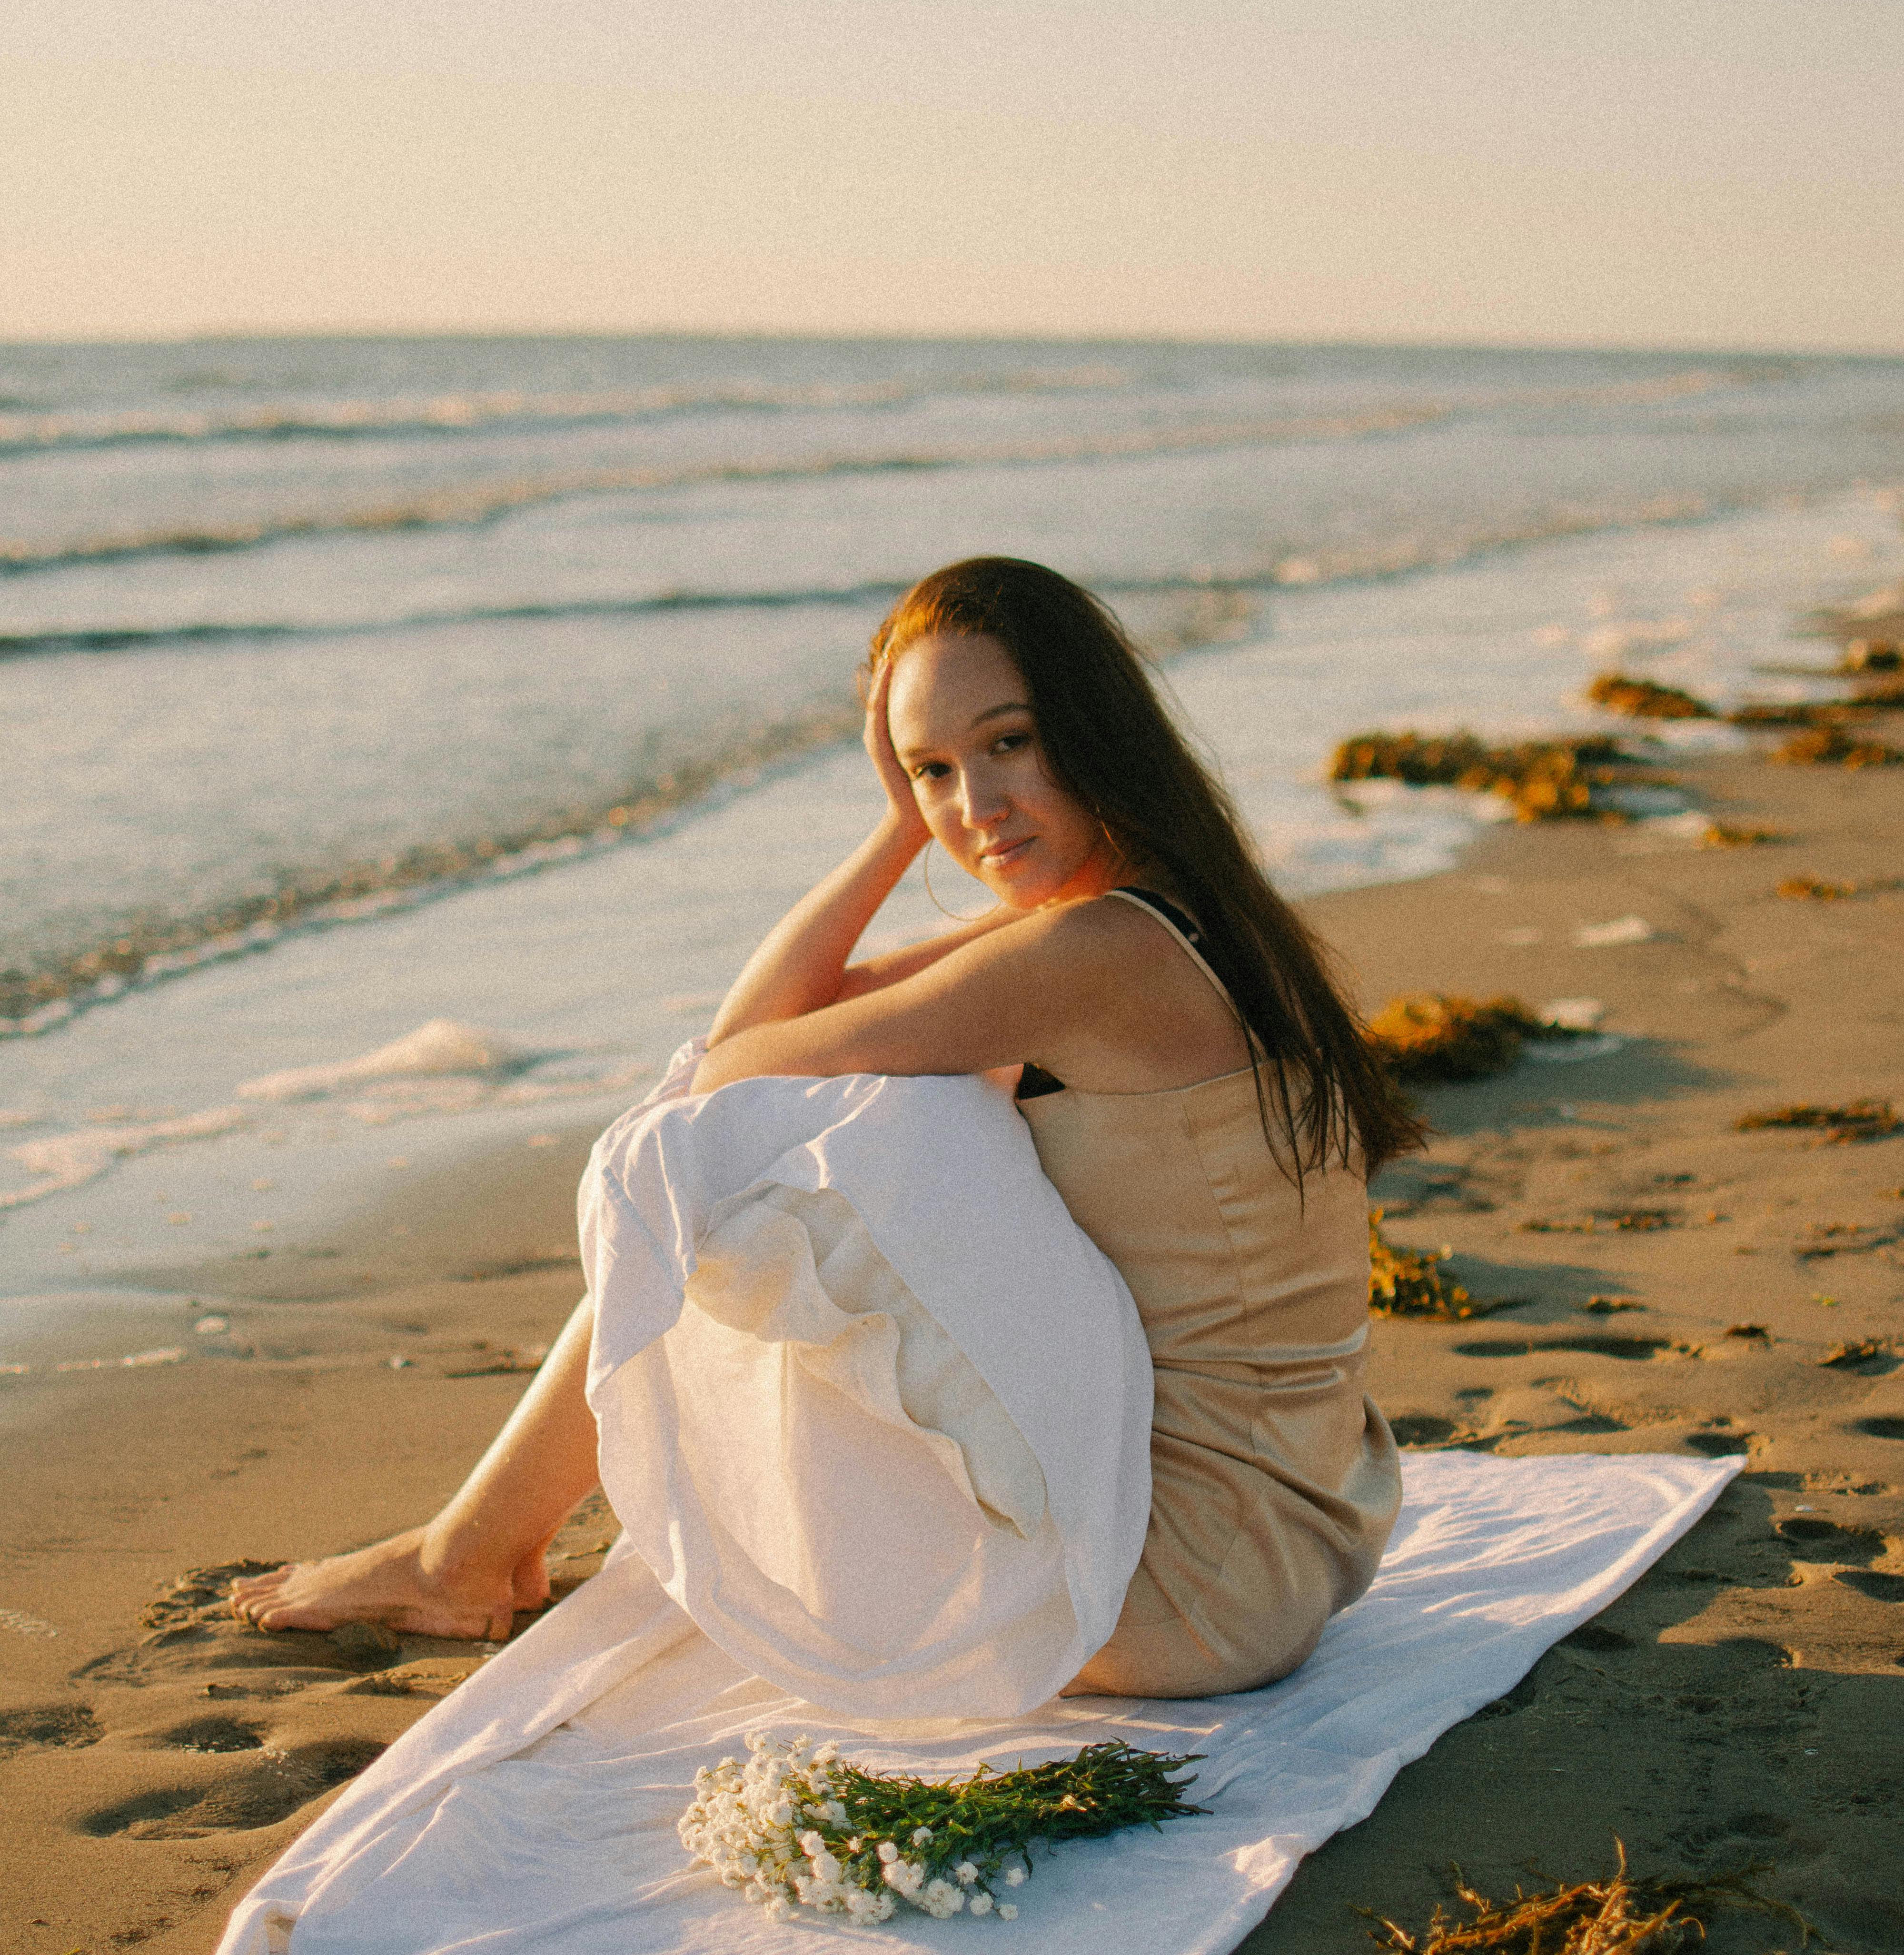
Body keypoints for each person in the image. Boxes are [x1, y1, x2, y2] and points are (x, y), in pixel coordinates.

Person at [231, 556, 1420, 1697]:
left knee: (733, 1173)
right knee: (811, 1131)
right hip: (1290, 1538)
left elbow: (727, 1076)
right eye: (932, 773)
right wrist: (903, 821)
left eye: (1007, 743)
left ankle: (469, 1554)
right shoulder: (1165, 913)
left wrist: (902, 825)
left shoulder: (1090, 955)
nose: (976, 808)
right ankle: (469, 1546)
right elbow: (761, 1045)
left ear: (1093, 723)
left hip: (1180, 1590)